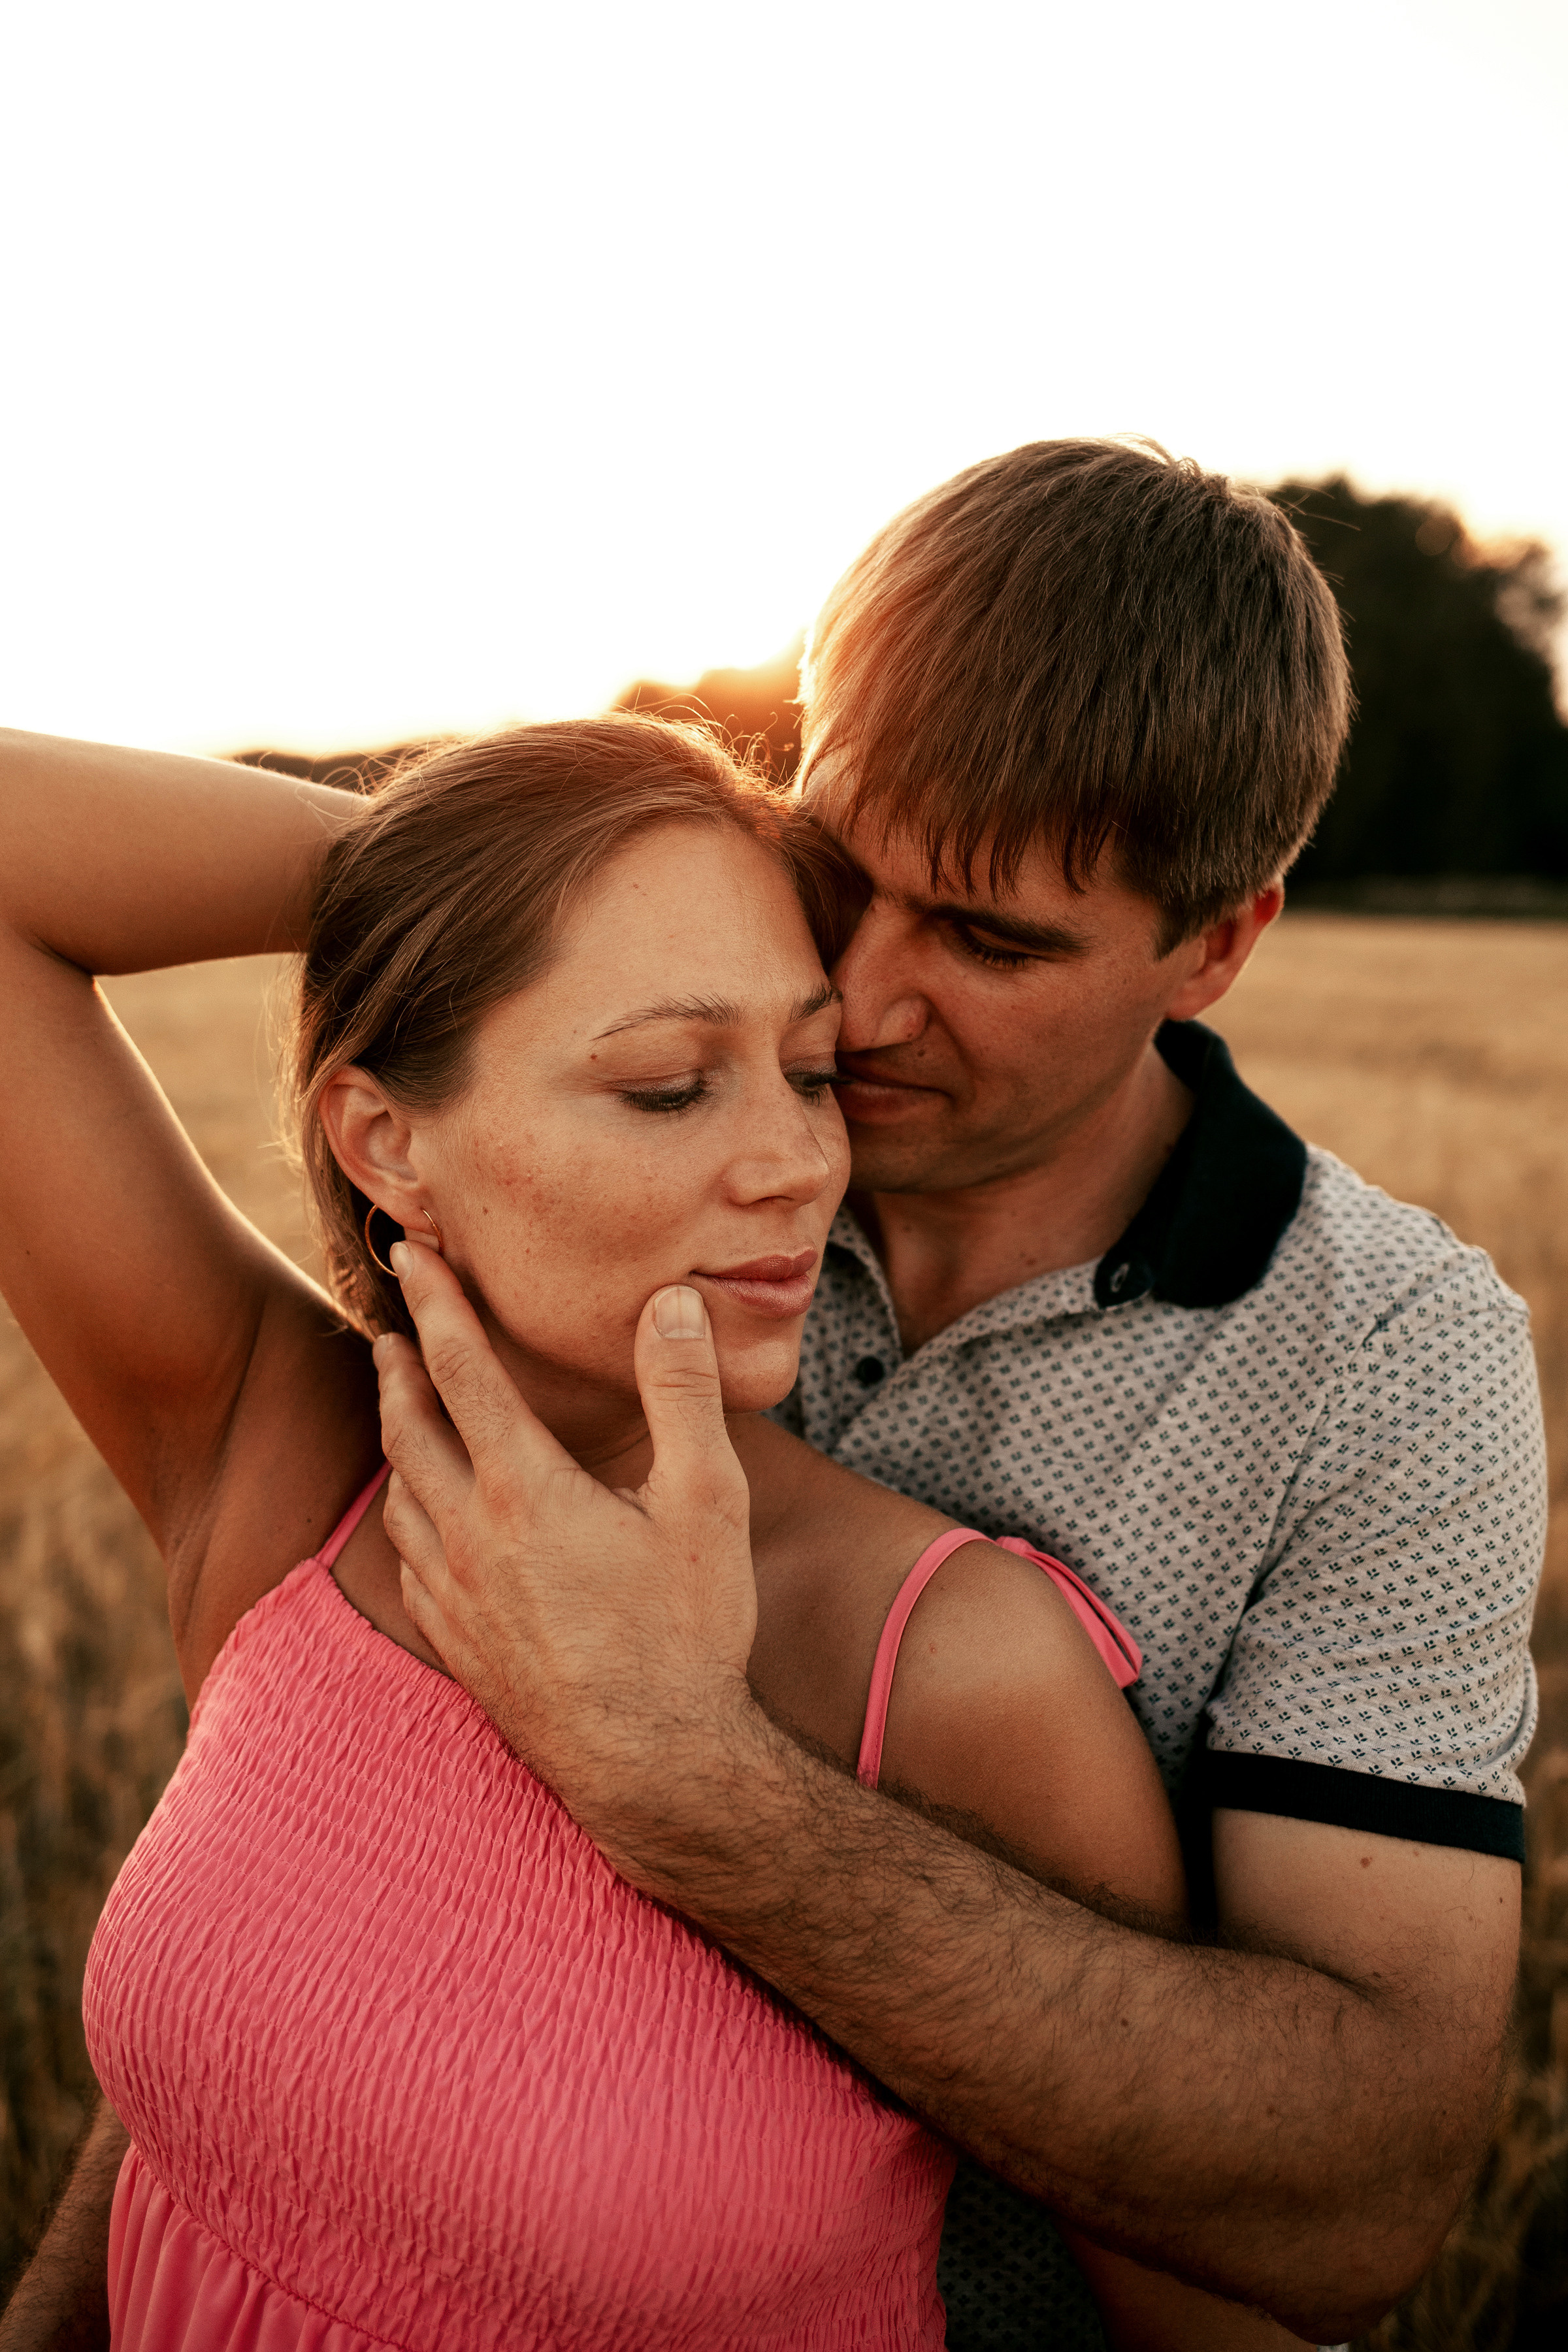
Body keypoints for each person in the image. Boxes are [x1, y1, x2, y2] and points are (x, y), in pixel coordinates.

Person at [365, 443, 1543, 2349]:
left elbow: (1351, 2192)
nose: (859, 1005)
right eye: (837, 874)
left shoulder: (1391, 1356)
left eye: (993, 944)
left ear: (1220, 944)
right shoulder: (635, 1144)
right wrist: (445, 901)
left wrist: (700, 1795)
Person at [0, 714, 1288, 2351]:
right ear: (386, 1141)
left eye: (811, 1071)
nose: (798, 1160)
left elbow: (1221, 2298)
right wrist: (466, 884)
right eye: (671, 1083)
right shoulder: (289, 1456)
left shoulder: (952, 1665)